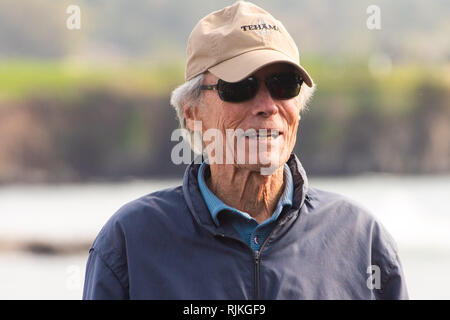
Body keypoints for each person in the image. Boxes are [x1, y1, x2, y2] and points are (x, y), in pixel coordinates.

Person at [83, 1, 408, 299]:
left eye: (283, 84)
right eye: (240, 87)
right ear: (192, 113)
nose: (267, 106)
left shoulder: (362, 241)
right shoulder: (129, 242)